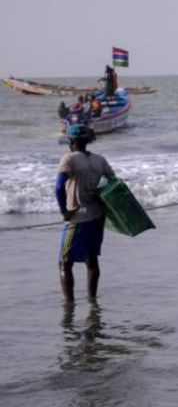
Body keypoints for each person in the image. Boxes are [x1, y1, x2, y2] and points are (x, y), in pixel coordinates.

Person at [55, 124, 116, 303]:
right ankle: (92, 299)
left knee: (65, 262)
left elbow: (59, 188)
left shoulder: (69, 159)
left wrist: (64, 211)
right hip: (97, 215)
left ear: (71, 142)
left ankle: (69, 304)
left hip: (77, 218)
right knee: (92, 260)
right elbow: (113, 183)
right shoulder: (99, 160)